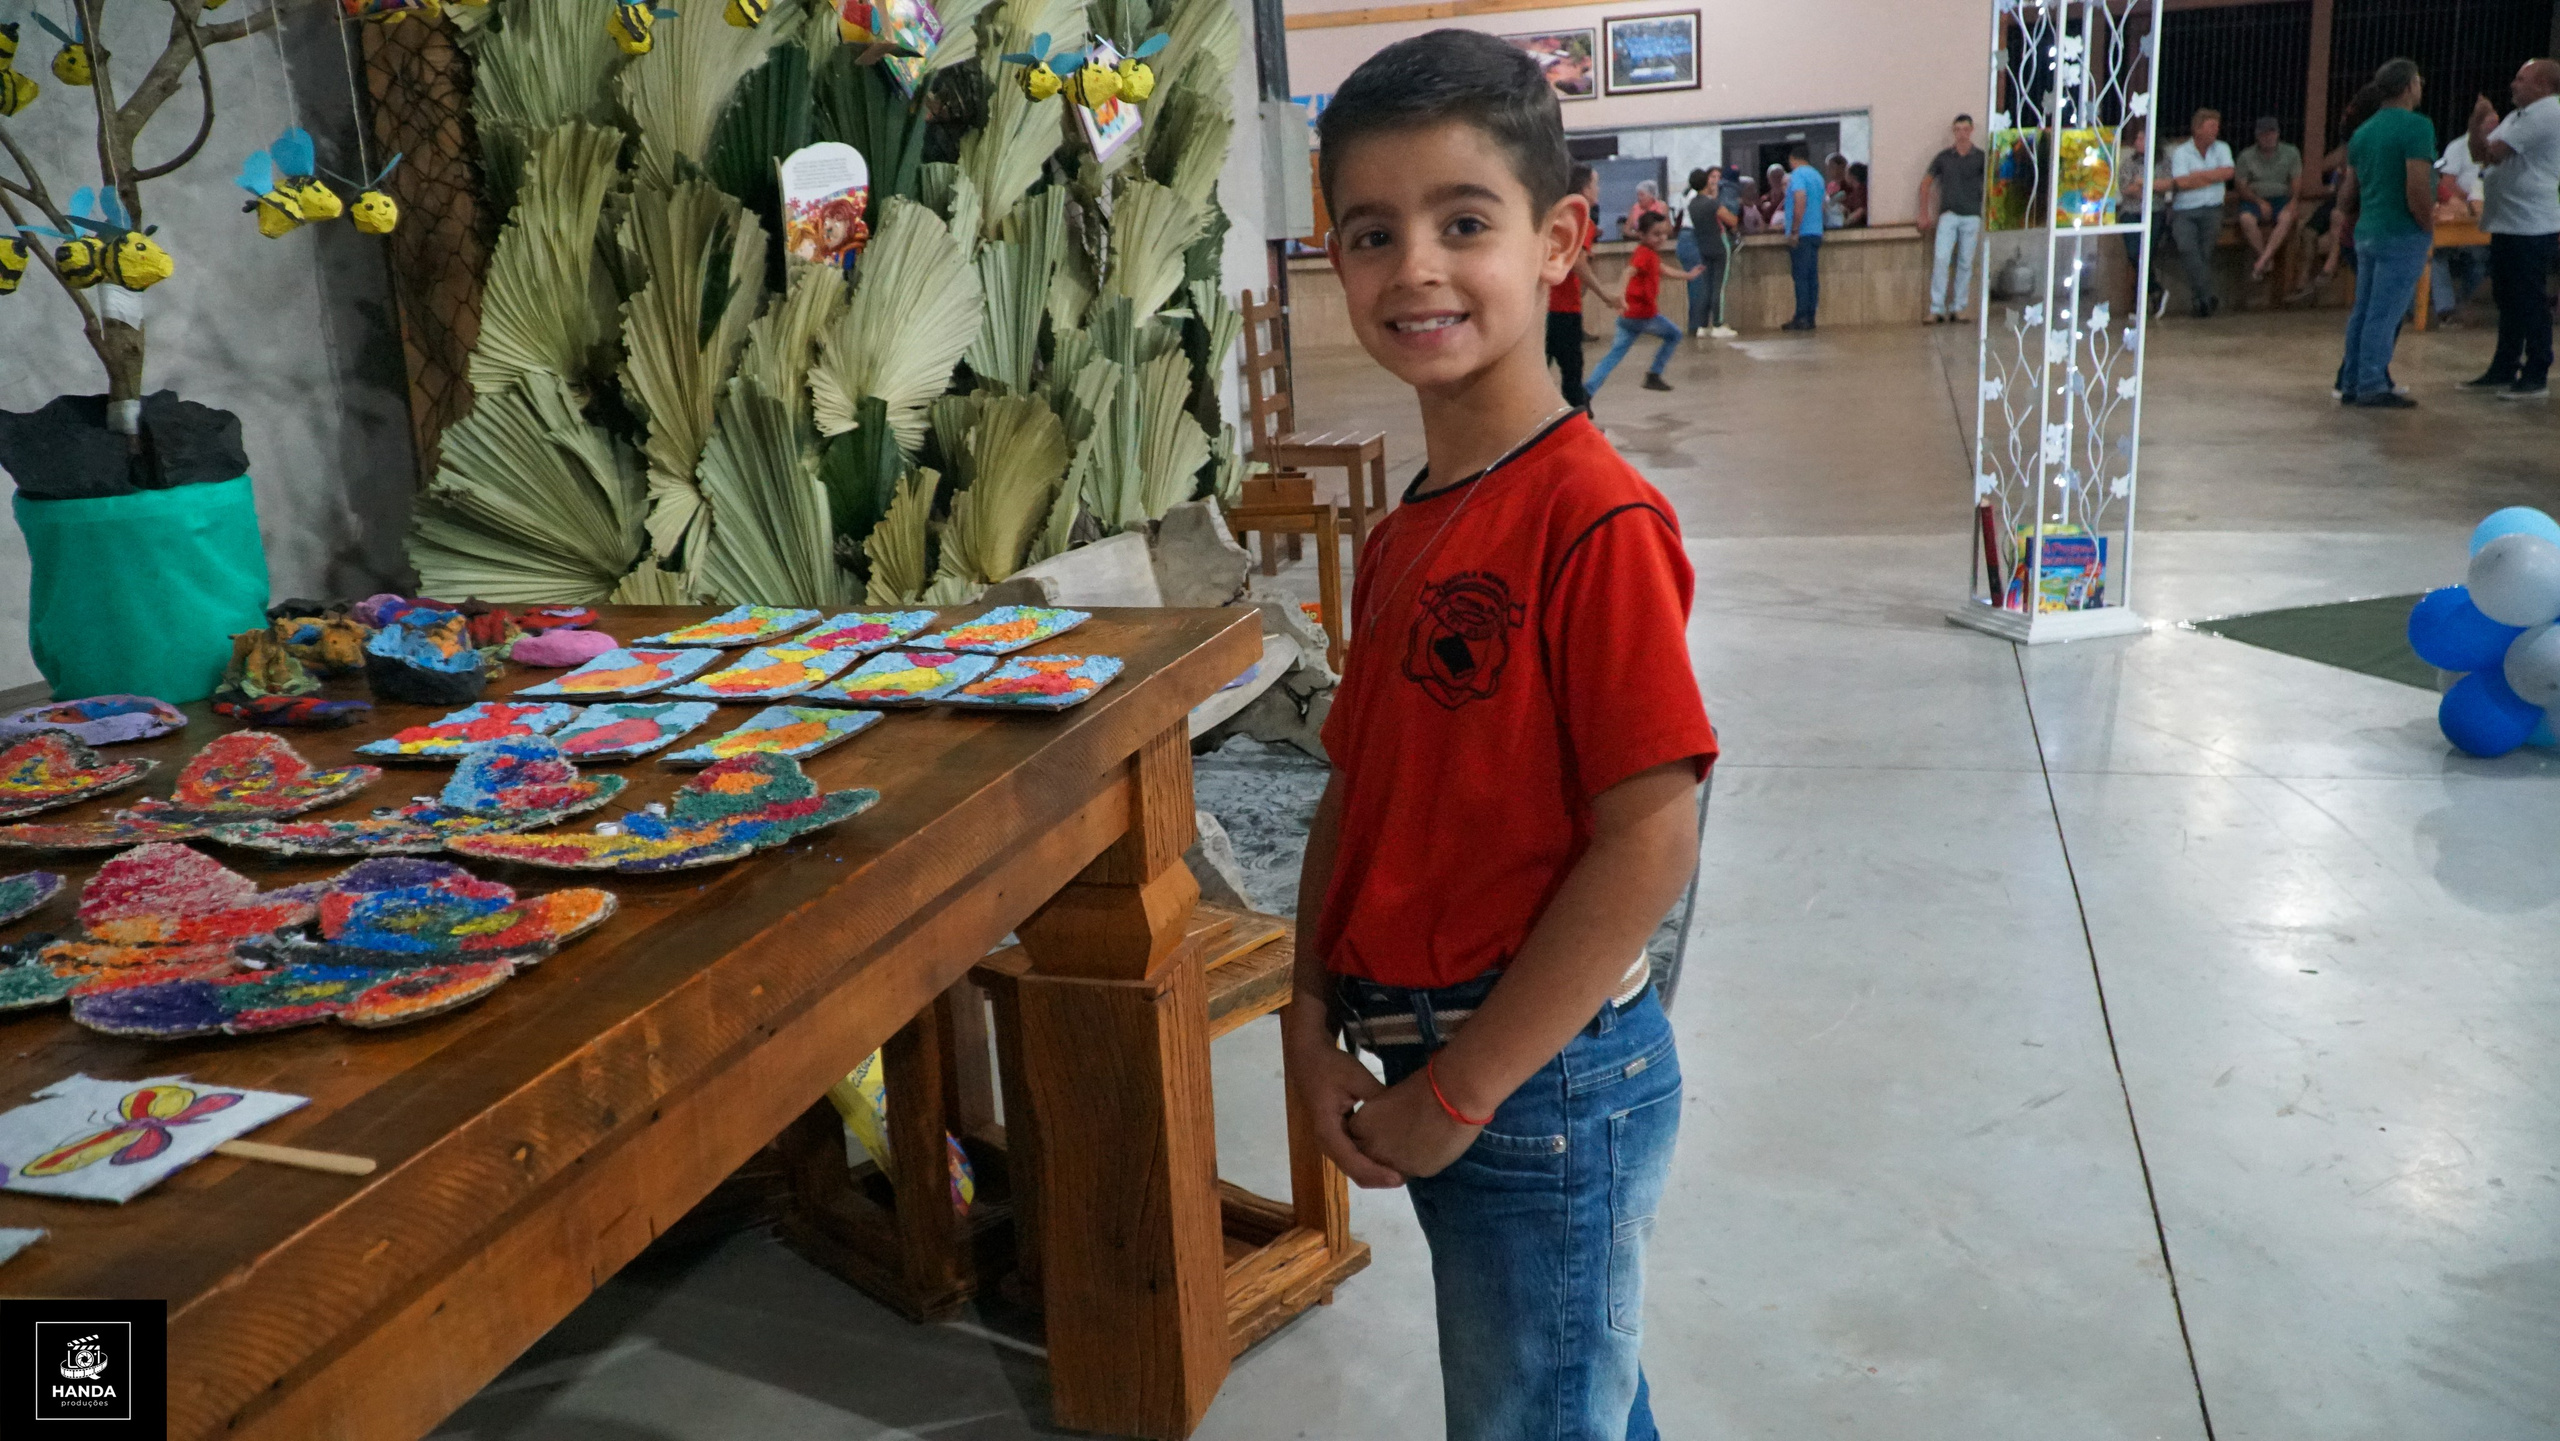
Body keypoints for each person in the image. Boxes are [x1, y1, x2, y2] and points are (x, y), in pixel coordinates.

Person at [1301, 29, 1717, 1441]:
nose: (1413, 264)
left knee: (1536, 1414)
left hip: (1540, 1086)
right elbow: (1355, 788)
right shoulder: (1412, 523)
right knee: (1569, 1396)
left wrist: (1464, 1091)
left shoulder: (1593, 518)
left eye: (1461, 222)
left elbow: (1652, 839)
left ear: (1558, 242)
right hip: (1439, 1065)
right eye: (1372, 231)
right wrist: (1309, 1014)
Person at [2334, 58, 2436, 408]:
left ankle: (2351, 381)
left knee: (2363, 311)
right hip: (2401, 231)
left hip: (2367, 230)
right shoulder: (2417, 128)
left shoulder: (2363, 133)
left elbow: (2347, 194)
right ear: (2409, 86)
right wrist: (2428, 224)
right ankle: (2373, 383)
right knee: (2385, 313)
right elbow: (2417, 186)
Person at [2461, 57, 2560, 400]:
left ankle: (2536, 372)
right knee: (2507, 298)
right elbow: (2479, 153)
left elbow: (2496, 153)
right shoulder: (2519, 117)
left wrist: (2479, 127)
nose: (2513, 84)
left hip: (2530, 224)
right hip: (2508, 222)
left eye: (2522, 79)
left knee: (2529, 299)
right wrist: (2476, 125)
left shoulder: (2547, 113)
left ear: (2545, 86)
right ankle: (2504, 366)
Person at [1589, 210, 1698, 394]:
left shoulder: (1650, 255)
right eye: (1656, 234)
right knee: (1674, 335)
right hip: (1642, 314)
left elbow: (1663, 269)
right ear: (1641, 235)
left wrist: (1688, 275)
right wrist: (1619, 294)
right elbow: (1628, 272)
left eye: (1664, 234)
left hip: (1628, 315)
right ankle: (1654, 375)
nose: (1662, 238)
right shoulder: (1644, 254)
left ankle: (1588, 390)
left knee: (1614, 356)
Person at [1545, 164, 1620, 410]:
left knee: (1540, 371)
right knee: (1572, 373)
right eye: (1595, 183)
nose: (1597, 189)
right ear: (1584, 188)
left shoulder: (1553, 216)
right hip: (1563, 309)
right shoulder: (1580, 219)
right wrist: (1605, 293)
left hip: (1544, 307)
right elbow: (1576, 263)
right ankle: (1577, 427)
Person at [2166, 108, 2235, 316]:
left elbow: (2229, 172)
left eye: (2217, 126)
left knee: (2204, 253)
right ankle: (2207, 295)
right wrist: (2213, 175)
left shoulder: (2222, 148)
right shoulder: (2181, 152)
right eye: (2211, 126)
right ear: (2197, 128)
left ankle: (2200, 302)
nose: (2216, 130)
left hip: (2212, 209)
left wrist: (2198, 176)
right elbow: (2182, 182)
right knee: (2188, 249)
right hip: (2185, 210)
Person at [1919, 114, 1987, 323]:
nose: (1962, 134)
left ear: (1972, 130)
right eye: (1958, 130)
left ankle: (1959, 307)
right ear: (1953, 131)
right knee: (1941, 259)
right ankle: (1936, 308)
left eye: (1965, 129)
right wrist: (1924, 212)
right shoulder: (1943, 157)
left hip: (1972, 216)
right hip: (1948, 214)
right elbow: (1926, 183)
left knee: (1966, 263)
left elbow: (1992, 184)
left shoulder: (1981, 157)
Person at [2233, 115, 2303, 280]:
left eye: (2272, 133)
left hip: (2281, 197)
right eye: (2264, 134)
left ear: (2278, 134)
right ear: (2257, 136)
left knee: (2286, 218)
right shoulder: (2246, 156)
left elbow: (2296, 181)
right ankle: (2266, 258)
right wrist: (2258, 201)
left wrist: (2293, 202)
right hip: (2255, 198)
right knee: (2246, 219)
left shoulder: (2291, 152)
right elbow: (2240, 185)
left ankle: (2262, 260)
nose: (2269, 137)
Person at [1682, 166, 1738, 337]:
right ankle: (1718, 323)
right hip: (1719, 246)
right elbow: (1732, 220)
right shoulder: (1712, 203)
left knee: (1706, 286)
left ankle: (1702, 325)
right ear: (1706, 182)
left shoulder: (1692, 204)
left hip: (1703, 246)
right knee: (1719, 286)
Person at [1782, 141, 1827, 330]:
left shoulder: (1798, 175)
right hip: (1816, 231)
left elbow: (1800, 199)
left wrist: (1794, 230)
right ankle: (1810, 316)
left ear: (1793, 160)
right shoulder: (1818, 176)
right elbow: (1823, 205)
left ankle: (1801, 317)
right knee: (1811, 277)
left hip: (1803, 233)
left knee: (1800, 276)